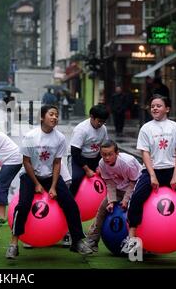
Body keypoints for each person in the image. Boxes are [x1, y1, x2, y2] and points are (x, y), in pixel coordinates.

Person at [121, 95, 176, 255]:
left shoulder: (175, 127)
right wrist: (152, 175)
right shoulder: (146, 128)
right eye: (152, 106)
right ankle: (131, 238)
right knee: (136, 199)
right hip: (152, 170)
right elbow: (145, 153)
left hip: (172, 169)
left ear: (167, 109)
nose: (155, 108)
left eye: (159, 106)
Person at [5, 105, 94, 259]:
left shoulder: (59, 138)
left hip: (50, 176)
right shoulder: (31, 136)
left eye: (56, 115)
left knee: (71, 204)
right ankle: (14, 243)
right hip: (29, 175)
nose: (55, 118)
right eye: (51, 114)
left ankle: (77, 241)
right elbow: (26, 162)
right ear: (42, 117)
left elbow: (57, 163)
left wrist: (53, 186)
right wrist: (37, 184)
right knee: (23, 205)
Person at [63, 104, 109, 247]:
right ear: (92, 117)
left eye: (103, 122)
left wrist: (101, 166)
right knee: (76, 180)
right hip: (79, 159)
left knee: (108, 180)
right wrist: (87, 169)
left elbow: (104, 147)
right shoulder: (81, 130)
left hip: (94, 158)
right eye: (98, 121)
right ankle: (68, 211)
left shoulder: (103, 129)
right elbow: (75, 152)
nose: (100, 124)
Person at [85, 140, 141, 252]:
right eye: (104, 155)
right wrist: (111, 201)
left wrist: (125, 200)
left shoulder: (127, 163)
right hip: (118, 189)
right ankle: (93, 240)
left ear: (117, 153)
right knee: (102, 208)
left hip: (136, 189)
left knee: (134, 212)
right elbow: (110, 184)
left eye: (110, 154)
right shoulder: (102, 163)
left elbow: (133, 183)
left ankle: (137, 244)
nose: (107, 158)